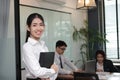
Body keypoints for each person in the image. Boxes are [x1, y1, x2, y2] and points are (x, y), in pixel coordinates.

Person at [22, 13, 58, 80]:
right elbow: (37, 72)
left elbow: (55, 66)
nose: (39, 28)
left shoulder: (43, 45)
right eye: (34, 25)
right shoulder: (27, 47)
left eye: (41, 25)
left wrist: (50, 78)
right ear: (28, 28)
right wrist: (52, 71)